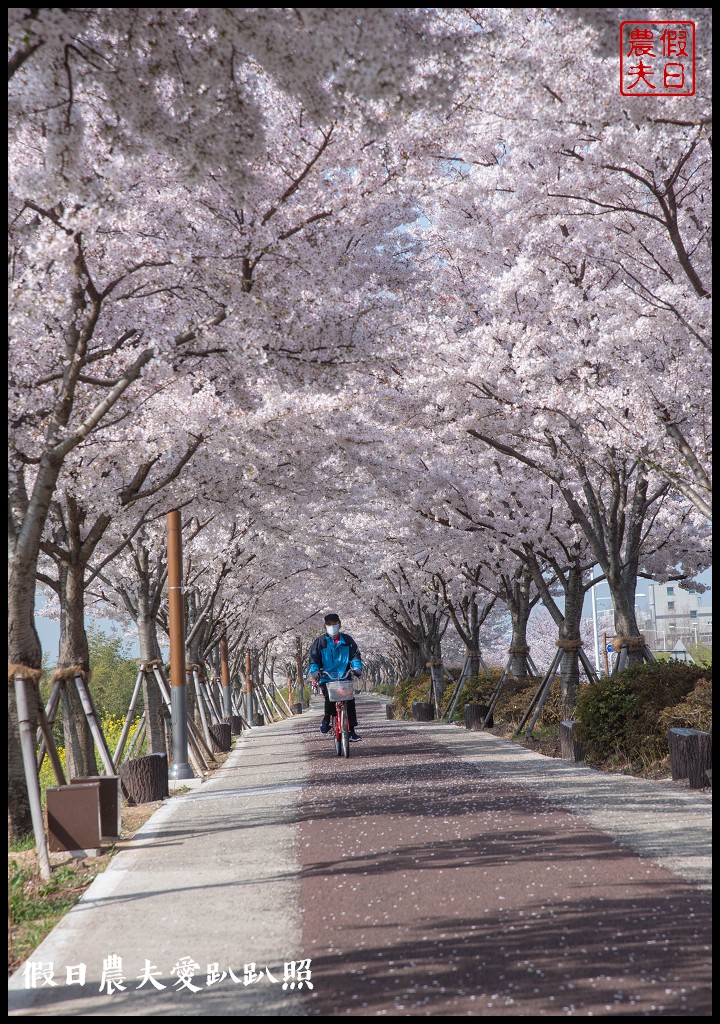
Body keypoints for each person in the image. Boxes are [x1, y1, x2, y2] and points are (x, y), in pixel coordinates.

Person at [308, 612, 363, 740]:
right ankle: (327, 718)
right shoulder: (320, 642)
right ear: (325, 626)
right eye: (329, 625)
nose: (332, 627)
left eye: (335, 624)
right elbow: (313, 659)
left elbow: (355, 656)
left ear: (340, 624)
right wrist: (315, 671)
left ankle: (352, 731)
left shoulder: (348, 641)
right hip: (327, 677)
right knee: (329, 698)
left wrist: (356, 668)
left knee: (349, 702)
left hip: (344, 676)